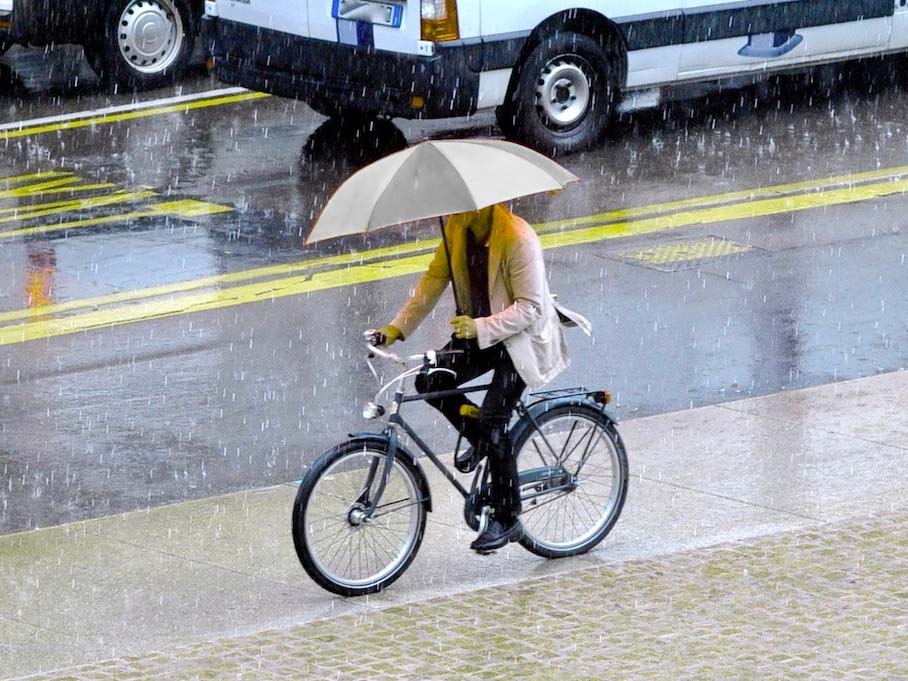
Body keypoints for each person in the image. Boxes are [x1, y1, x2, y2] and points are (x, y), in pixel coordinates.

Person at [377, 203, 584, 553]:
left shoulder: (518, 238)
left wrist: (479, 325)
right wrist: (397, 328)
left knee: (492, 422)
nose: (457, 211)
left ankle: (507, 517)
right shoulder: (457, 227)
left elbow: (530, 308)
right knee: (430, 381)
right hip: (479, 333)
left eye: (464, 205)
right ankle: (482, 439)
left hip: (521, 339)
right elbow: (434, 279)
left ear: (487, 203)